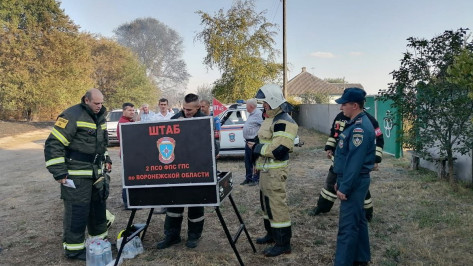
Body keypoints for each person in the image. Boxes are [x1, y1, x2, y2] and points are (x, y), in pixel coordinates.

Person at [44, 88, 112, 261]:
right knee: (78, 212)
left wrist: (106, 158)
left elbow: (101, 144)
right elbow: (54, 144)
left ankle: (99, 242)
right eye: (96, 103)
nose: (99, 106)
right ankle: (74, 250)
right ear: (86, 100)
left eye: (101, 102)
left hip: (96, 173)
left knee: (98, 209)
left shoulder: (101, 116)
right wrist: (59, 172)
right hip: (76, 174)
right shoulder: (71, 115)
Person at [247, 84, 299, 257]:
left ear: (272, 101)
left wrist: (256, 147)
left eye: (265, 102)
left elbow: (279, 150)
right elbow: (264, 139)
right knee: (266, 205)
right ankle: (272, 235)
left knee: (277, 207)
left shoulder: (284, 121)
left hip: (275, 172)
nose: (263, 105)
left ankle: (283, 243)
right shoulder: (270, 118)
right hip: (266, 171)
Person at [309, 106, 384, 221]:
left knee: (360, 189)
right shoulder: (340, 117)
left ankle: (367, 214)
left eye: (344, 104)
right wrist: (329, 147)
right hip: (339, 162)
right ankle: (322, 208)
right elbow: (334, 134)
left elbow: (378, 139)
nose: (341, 107)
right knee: (330, 184)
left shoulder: (369, 120)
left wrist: (376, 159)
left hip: (356, 164)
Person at [156, 93, 210, 249]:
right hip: (178, 170)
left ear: (198, 107)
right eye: (184, 109)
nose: (186, 112)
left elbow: (214, 146)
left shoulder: (205, 121)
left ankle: (194, 236)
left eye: (190, 110)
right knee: (174, 204)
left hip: (198, 170)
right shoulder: (175, 119)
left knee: (196, 205)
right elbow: (167, 145)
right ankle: (172, 236)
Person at [332, 88, 375, 266]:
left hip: (354, 182)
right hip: (351, 179)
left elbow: (354, 163)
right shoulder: (355, 123)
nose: (341, 107)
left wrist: (345, 186)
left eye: (344, 103)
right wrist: (339, 180)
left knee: (348, 227)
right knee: (358, 220)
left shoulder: (359, 128)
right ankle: (361, 258)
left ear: (354, 105)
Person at [116, 102, 135, 209]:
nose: (132, 112)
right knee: (128, 178)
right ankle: (127, 202)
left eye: (133, 110)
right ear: (124, 111)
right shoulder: (123, 123)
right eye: (129, 110)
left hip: (129, 154)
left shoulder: (129, 121)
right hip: (126, 154)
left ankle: (130, 201)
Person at [241, 98, 263, 186]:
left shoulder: (258, 114)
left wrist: (258, 139)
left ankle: (256, 179)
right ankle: (248, 178)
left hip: (254, 142)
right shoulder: (251, 114)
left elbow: (263, 126)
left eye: (246, 106)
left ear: (250, 106)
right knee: (247, 161)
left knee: (256, 161)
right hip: (248, 141)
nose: (246, 108)